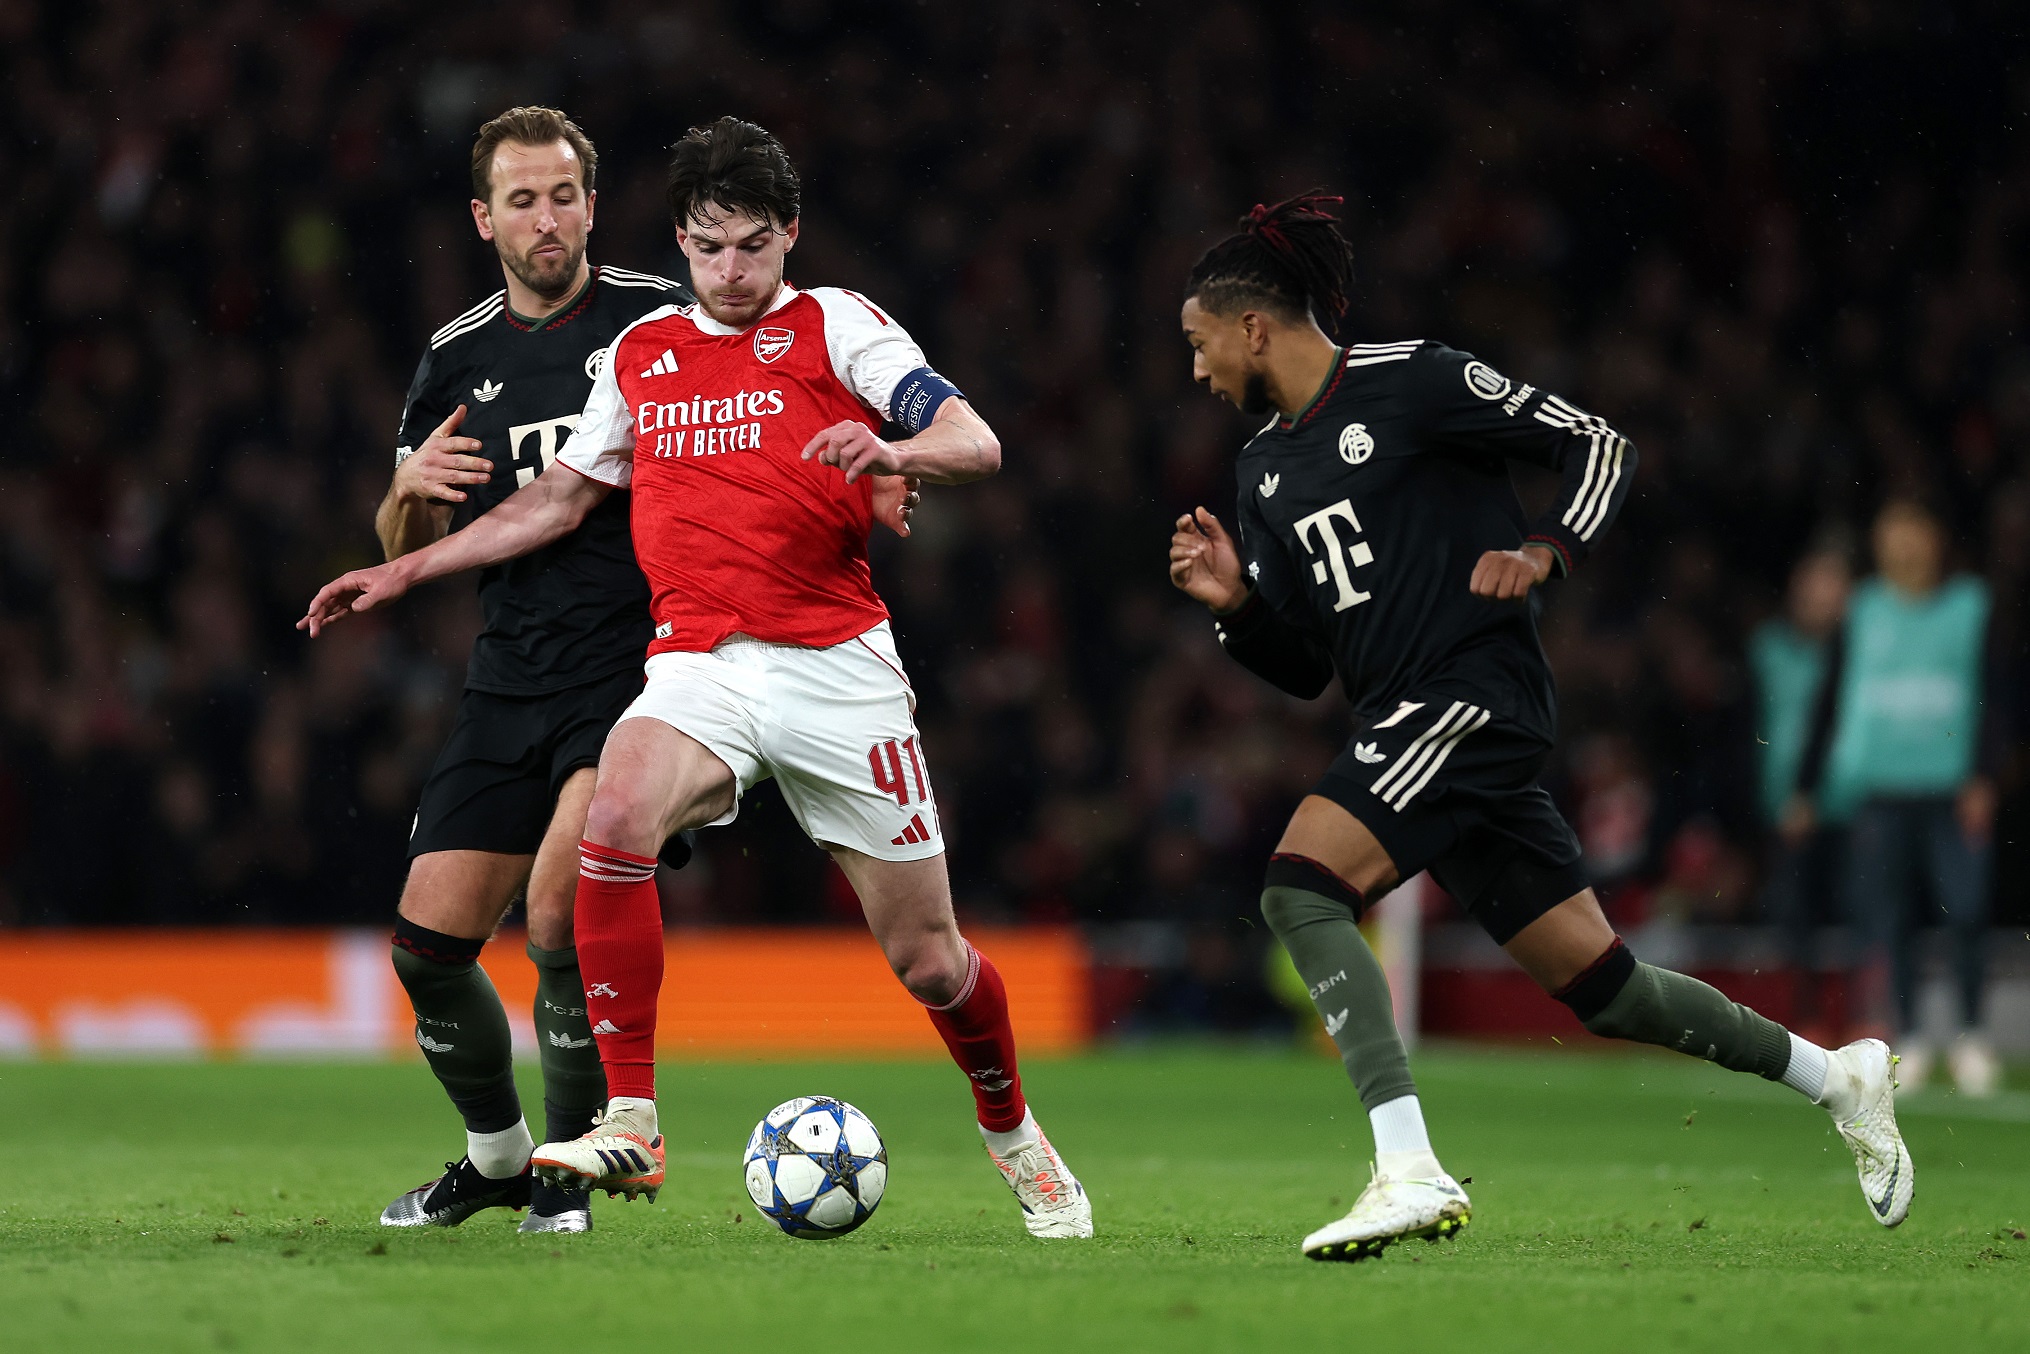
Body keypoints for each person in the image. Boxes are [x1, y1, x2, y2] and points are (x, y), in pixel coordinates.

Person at [301, 117, 1091, 1240]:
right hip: (694, 663)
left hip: (833, 667)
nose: (731, 272)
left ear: (789, 239)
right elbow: (561, 496)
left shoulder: (839, 322)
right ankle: (631, 1115)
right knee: (609, 820)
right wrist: (404, 567)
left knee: (928, 957)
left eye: (754, 248)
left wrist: (894, 455)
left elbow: (975, 440)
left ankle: (1013, 1131)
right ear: (681, 239)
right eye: (711, 248)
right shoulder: (644, 352)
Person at [1165, 194, 1910, 1261]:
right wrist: (1237, 606)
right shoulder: (1261, 473)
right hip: (1415, 727)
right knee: (1603, 988)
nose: (1195, 372)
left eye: (1198, 345)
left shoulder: (1411, 379)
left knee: (1297, 885)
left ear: (1250, 326)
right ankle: (1838, 1076)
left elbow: (1597, 444)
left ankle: (1406, 1166)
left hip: (1473, 695)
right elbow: (1307, 666)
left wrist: (1547, 551)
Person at [368, 106, 697, 1234]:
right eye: (522, 199)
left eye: (563, 196)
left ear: (592, 206)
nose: (545, 218)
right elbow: (397, 538)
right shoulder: (457, 355)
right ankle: (499, 1158)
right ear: (483, 218)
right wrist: (405, 494)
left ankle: (566, 1179)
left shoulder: (662, 320)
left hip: (643, 669)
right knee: (425, 945)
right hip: (508, 674)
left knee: (557, 917)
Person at [1791, 499, 1999, 1096]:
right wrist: (1805, 788)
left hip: (1951, 790)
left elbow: (1996, 693)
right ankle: (1908, 1039)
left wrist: (1983, 774)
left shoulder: (1970, 608)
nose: (1903, 547)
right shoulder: (1862, 610)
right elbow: (1830, 701)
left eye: (1913, 533)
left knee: (1965, 912)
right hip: (1878, 792)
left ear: (1936, 539)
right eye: (1891, 535)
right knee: (1890, 920)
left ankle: (1971, 1035)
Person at [1753, 545, 1853, 1043]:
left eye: (1834, 585)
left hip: (1851, 804)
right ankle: (1805, 1019)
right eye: (1815, 582)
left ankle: (1860, 1020)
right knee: (1796, 918)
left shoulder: (1860, 653)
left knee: (1858, 914)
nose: (1823, 596)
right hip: (1786, 808)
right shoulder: (1766, 648)